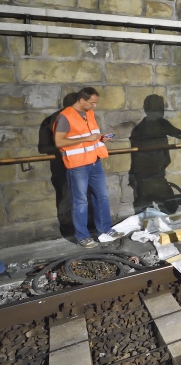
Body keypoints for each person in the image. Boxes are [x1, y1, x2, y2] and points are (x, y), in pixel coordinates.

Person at [53, 87, 124, 248]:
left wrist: (100, 139)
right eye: (92, 103)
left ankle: (105, 230)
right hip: (77, 165)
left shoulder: (89, 114)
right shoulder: (65, 116)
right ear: (81, 100)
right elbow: (59, 142)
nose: (95, 106)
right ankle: (82, 236)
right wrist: (87, 138)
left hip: (94, 161)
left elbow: (91, 136)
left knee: (102, 197)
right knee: (80, 201)